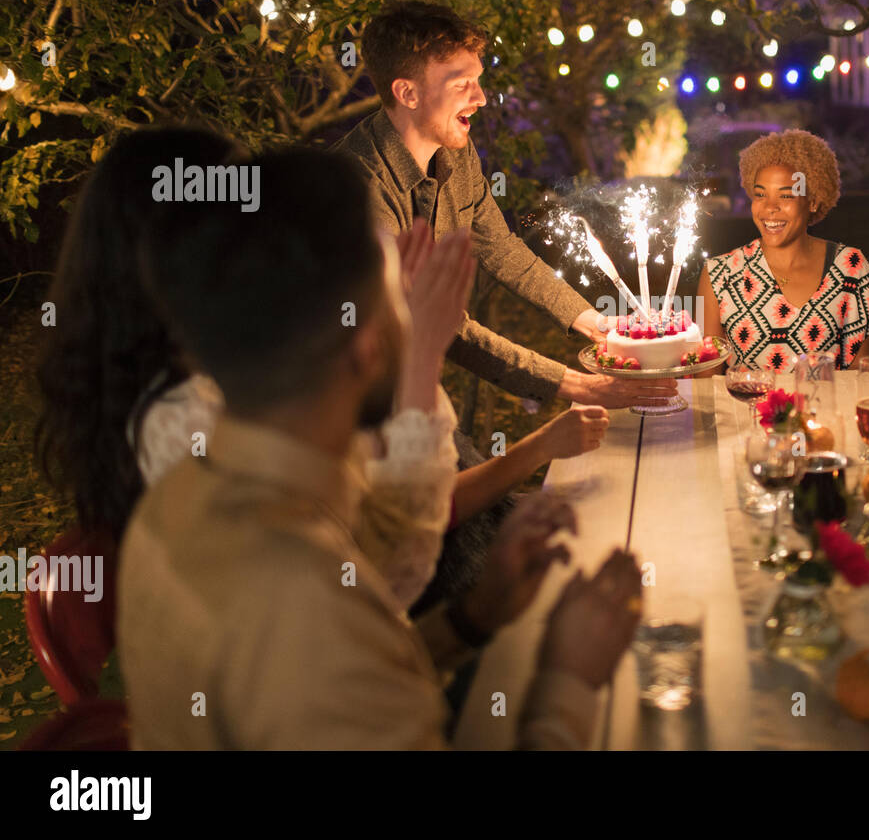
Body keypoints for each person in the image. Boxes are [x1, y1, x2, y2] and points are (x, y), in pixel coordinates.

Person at [121, 146, 641, 748]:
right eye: (399, 300)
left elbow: (334, 682)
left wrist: (472, 619)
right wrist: (569, 679)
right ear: (365, 345)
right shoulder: (298, 589)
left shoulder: (188, 490)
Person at [35, 127, 608, 610]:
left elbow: (378, 503)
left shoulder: (243, 373)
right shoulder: (188, 420)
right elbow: (383, 566)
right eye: (242, 224)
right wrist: (418, 353)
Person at [334, 0, 675, 409]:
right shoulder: (358, 189)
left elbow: (500, 247)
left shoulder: (456, 153)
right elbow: (445, 326)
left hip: (409, 381)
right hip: (347, 402)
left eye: (478, 80)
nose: (480, 97)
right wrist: (573, 385)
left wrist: (594, 321)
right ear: (407, 93)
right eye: (462, 84)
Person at [696, 129, 869, 372]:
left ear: (812, 201)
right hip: (745, 409)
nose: (770, 208)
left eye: (786, 196)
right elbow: (706, 381)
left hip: (827, 409)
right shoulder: (719, 275)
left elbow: (861, 375)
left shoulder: (851, 268)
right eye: (760, 195)